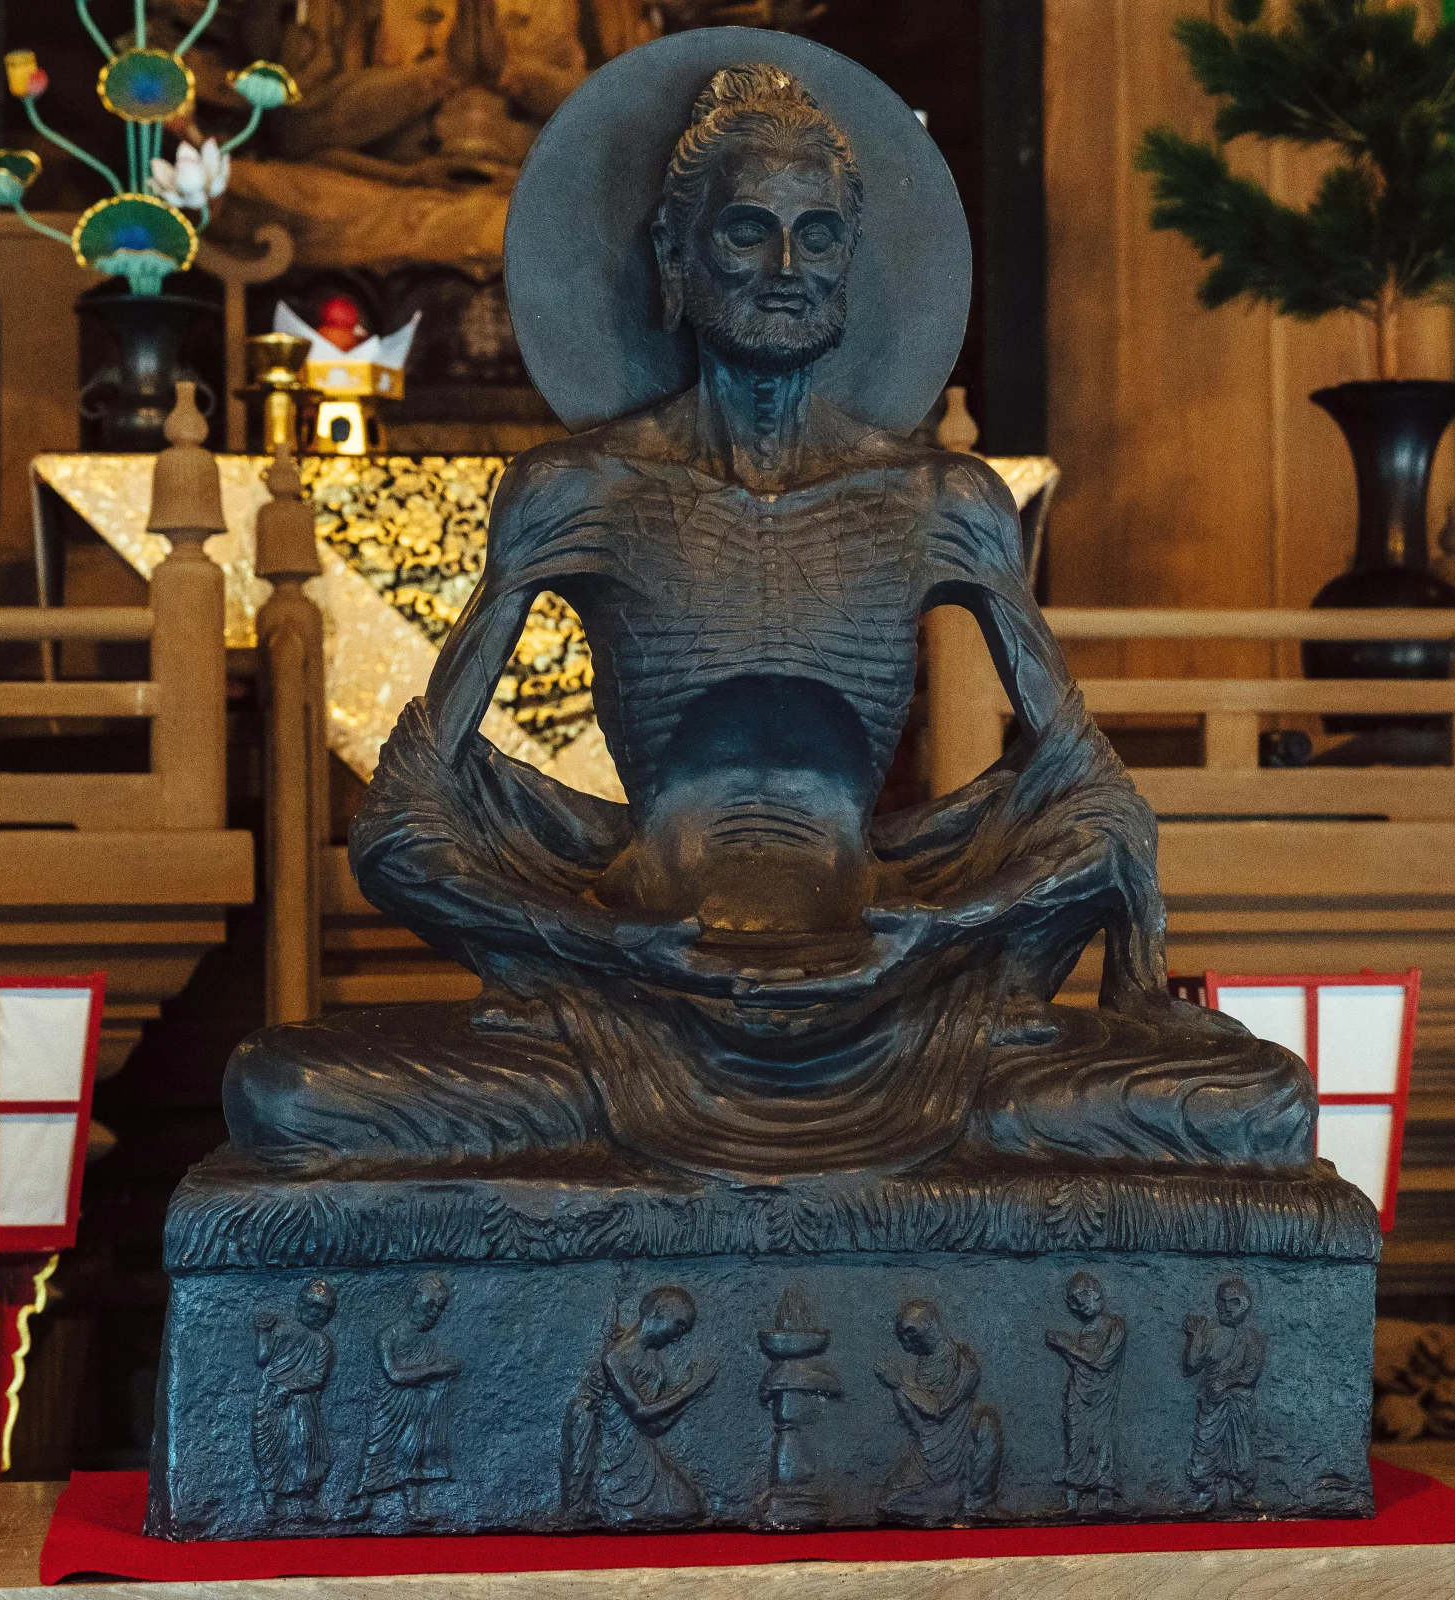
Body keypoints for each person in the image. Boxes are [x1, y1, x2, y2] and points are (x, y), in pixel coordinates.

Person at [222, 59, 1315, 1185]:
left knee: (1258, 1105)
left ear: (855, 261)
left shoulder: (945, 504)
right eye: (746, 233)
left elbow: (1102, 815)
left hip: (900, 1001)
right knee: (288, 1092)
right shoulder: (577, 493)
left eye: (819, 235)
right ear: (672, 262)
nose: (787, 268)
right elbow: (404, 826)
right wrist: (601, 942)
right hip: (632, 1003)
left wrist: (943, 931)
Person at [560, 1286, 716, 1524]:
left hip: (637, 1445)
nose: (678, 1337)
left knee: (688, 1505)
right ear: (658, 1313)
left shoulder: (653, 1361)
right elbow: (641, 1411)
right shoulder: (616, 1356)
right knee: (680, 1507)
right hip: (613, 1448)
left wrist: (692, 1392)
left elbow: (655, 1426)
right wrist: (692, 1387)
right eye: (679, 1325)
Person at [351, 1273, 462, 1524]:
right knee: (376, 1449)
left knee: (411, 1453)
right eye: (430, 1303)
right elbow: (395, 1374)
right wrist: (437, 1369)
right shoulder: (388, 1335)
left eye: (440, 1308)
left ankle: (413, 1507)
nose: (434, 1312)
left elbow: (428, 1379)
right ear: (415, 1300)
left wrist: (439, 1375)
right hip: (388, 1408)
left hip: (414, 1408)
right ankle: (363, 1502)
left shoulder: (429, 1342)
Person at [875, 1300, 1000, 1521]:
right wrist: (899, 1392)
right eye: (902, 1335)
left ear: (930, 1323)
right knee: (889, 1502)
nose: (906, 1339)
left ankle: (974, 1502)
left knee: (987, 1424)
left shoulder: (965, 1362)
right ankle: (944, 1499)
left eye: (910, 1331)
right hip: (928, 1449)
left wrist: (900, 1384)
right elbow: (916, 1424)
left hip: (958, 1446)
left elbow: (940, 1408)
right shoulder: (923, 1365)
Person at [252, 1278, 337, 1519]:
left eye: (326, 1311)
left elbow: (317, 1375)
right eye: (314, 1308)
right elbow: (262, 1359)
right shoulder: (282, 1330)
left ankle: (307, 1501)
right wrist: (263, 1333)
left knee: (306, 1448)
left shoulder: (321, 1341)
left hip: (303, 1402)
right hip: (271, 1399)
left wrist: (289, 1388)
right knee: (270, 1450)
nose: (320, 1316)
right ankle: (270, 1501)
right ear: (301, 1305)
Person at [1182, 1277, 1267, 1512]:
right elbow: (1191, 1364)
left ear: (1246, 1305)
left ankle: (1240, 1491)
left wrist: (1226, 1382)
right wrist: (1194, 1336)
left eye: (1234, 1302)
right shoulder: (1211, 1333)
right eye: (1223, 1303)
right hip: (1212, 1403)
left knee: (1240, 1447)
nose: (1228, 1308)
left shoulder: (1252, 1338)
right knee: (1206, 1445)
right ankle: (1205, 1491)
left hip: (1238, 1404)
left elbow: (1250, 1372)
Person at [1045, 1271, 1125, 1511]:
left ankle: (1104, 1494)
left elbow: (1101, 1362)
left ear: (1096, 1293)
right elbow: (1081, 1364)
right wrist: (1066, 1351)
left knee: (1102, 1440)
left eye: (1083, 1299)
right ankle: (1073, 1496)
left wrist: (1066, 1344)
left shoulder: (1115, 1326)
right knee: (1077, 1440)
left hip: (1102, 1396)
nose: (1080, 1308)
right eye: (1075, 1304)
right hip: (1079, 1393)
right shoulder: (1086, 1331)